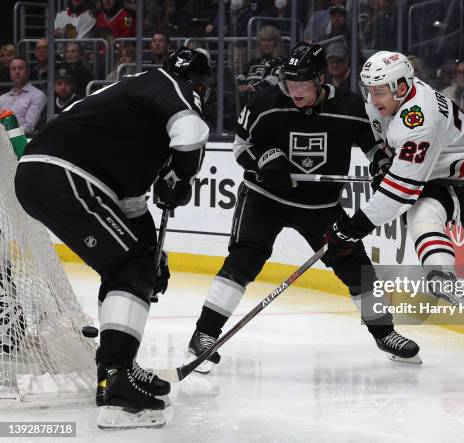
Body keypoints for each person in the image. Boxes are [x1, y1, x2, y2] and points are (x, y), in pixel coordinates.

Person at [186, 42, 421, 374]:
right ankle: (203, 336)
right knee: (243, 261)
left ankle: (385, 333)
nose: (294, 91)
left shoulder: (352, 106)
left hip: (321, 207)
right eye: (289, 83)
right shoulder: (266, 102)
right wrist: (265, 160)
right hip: (266, 199)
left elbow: (374, 148)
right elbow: (241, 148)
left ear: (321, 79)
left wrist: (382, 166)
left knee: (356, 267)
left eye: (302, 84)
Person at [14, 47, 212, 429]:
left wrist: (154, 255)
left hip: (49, 175)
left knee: (131, 264)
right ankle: (117, 380)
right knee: (130, 267)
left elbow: (132, 205)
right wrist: (179, 178)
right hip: (66, 175)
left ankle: (116, 373)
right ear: (199, 84)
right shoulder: (171, 86)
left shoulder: (135, 110)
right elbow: (191, 134)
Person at [323, 51, 464, 376]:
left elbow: (399, 193)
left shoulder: (420, 117)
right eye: (368, 89)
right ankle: (441, 275)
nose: (371, 98)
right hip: (433, 175)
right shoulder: (379, 101)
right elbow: (386, 148)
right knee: (423, 216)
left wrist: (353, 226)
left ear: (402, 87)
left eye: (378, 90)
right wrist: (384, 163)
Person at [236, 25, 283, 107]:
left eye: (270, 40)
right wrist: (241, 85)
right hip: (246, 98)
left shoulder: (281, 61)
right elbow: (242, 76)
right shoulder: (254, 61)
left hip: (266, 101)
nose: (266, 44)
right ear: (259, 43)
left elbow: (273, 81)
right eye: (263, 40)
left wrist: (251, 88)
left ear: (276, 42)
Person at [0, 58, 46, 135]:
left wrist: (5, 133)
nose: (17, 72)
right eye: (13, 69)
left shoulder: (37, 95)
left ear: (28, 72)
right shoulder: (2, 98)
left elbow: (29, 127)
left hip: (24, 141)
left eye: (21, 68)